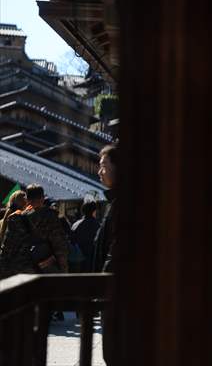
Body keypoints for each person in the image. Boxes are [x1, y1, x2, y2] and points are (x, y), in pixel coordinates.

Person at [0, 184, 69, 278]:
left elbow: (7, 249)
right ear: (43, 199)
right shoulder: (52, 218)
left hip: (22, 274)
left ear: (27, 200)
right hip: (46, 272)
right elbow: (61, 248)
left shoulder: (15, 219)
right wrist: (63, 272)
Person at [93, 144, 118, 366]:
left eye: (103, 166)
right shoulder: (114, 202)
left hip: (115, 293)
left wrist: (101, 286)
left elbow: (115, 254)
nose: (99, 171)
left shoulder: (122, 204)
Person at [71, 201, 100, 273]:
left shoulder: (75, 225)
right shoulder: (98, 225)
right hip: (93, 261)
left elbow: (71, 241)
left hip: (77, 260)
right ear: (94, 211)